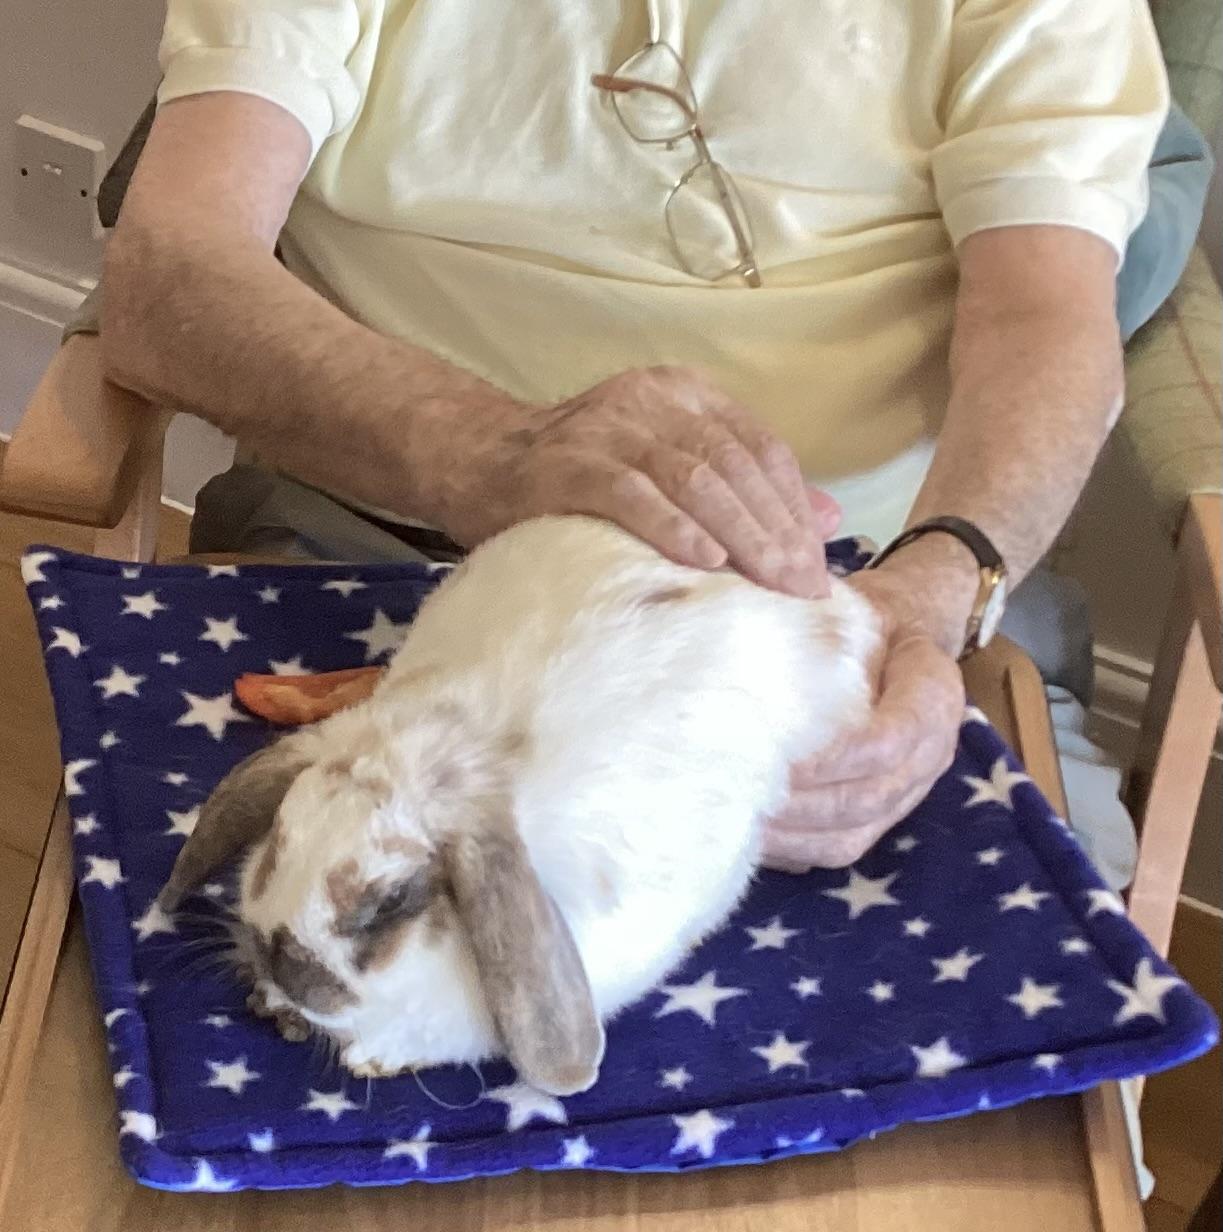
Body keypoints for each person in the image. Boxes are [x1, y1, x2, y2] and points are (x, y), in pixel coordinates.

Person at [96, 0, 1199, 875]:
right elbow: (168, 274)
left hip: (862, 602)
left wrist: (927, 593)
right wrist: (492, 452)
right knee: (291, 1023)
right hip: (385, 551)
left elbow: (1043, 317)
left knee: (1028, 1108)